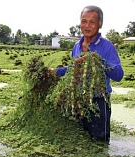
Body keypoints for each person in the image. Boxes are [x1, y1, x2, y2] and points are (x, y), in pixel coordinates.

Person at [49, 5, 124, 142]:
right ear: (80, 23)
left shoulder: (107, 47)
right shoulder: (77, 46)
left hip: (99, 102)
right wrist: (55, 72)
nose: (87, 25)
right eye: (84, 21)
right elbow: (73, 69)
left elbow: (119, 75)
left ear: (100, 24)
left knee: (100, 143)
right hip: (78, 101)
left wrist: (97, 60)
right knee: (80, 142)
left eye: (92, 21)